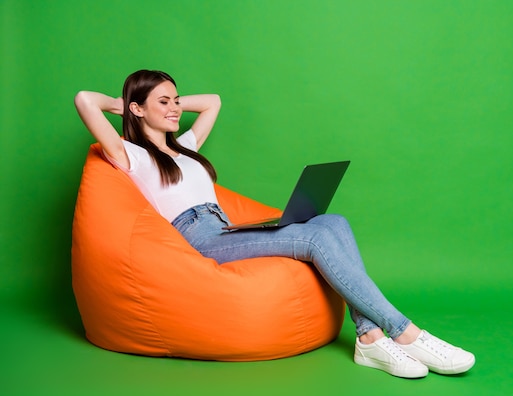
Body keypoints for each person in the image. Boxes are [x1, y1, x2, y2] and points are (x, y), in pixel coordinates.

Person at [74, 69, 475, 379]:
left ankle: (369, 338)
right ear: (137, 109)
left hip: (225, 228)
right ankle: (405, 333)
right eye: (164, 101)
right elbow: (84, 101)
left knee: (332, 219)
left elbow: (212, 101)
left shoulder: (187, 147)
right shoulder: (130, 155)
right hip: (197, 238)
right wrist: (123, 102)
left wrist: (161, 100)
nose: (177, 107)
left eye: (178, 99)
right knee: (316, 237)